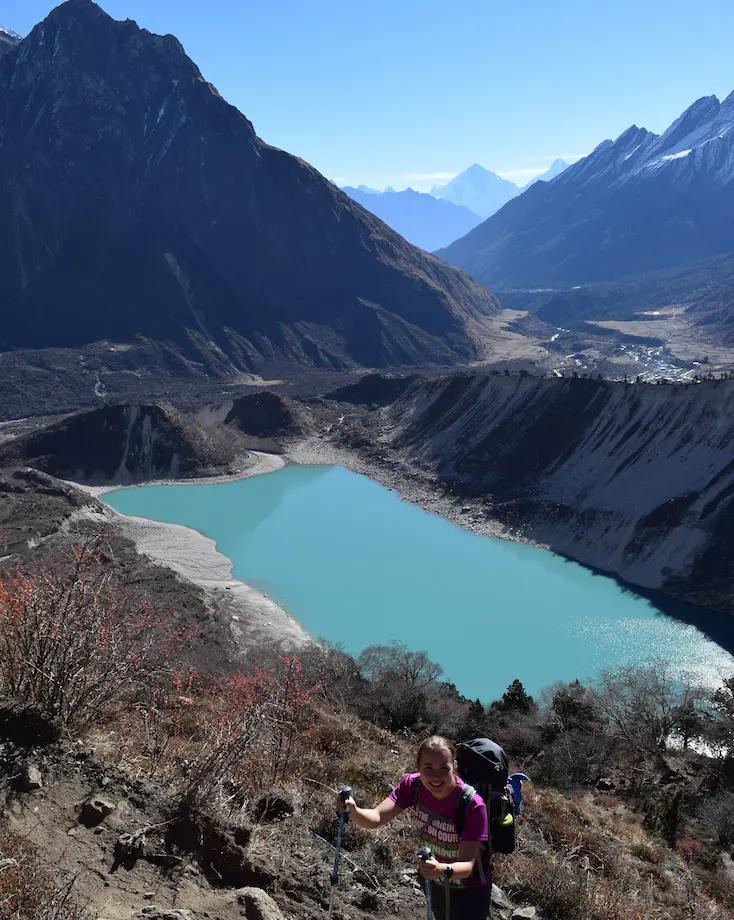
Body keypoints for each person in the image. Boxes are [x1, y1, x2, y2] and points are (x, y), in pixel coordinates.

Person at [337, 735, 490, 920]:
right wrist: (354, 811)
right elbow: (376, 818)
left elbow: (468, 866)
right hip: (435, 882)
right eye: (428, 767)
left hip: (469, 891)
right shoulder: (413, 786)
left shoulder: (472, 804)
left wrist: (442, 869)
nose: (435, 776)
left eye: (444, 768)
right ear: (418, 767)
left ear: (454, 767)